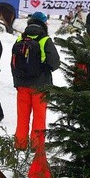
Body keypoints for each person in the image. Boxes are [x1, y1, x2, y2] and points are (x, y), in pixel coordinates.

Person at [11, 11, 60, 151]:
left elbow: (13, 62)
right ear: (43, 23)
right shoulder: (45, 40)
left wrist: (18, 82)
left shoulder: (20, 38)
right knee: (39, 118)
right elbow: (55, 63)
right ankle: (36, 147)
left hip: (22, 86)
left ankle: (20, 145)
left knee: (22, 118)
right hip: (40, 86)